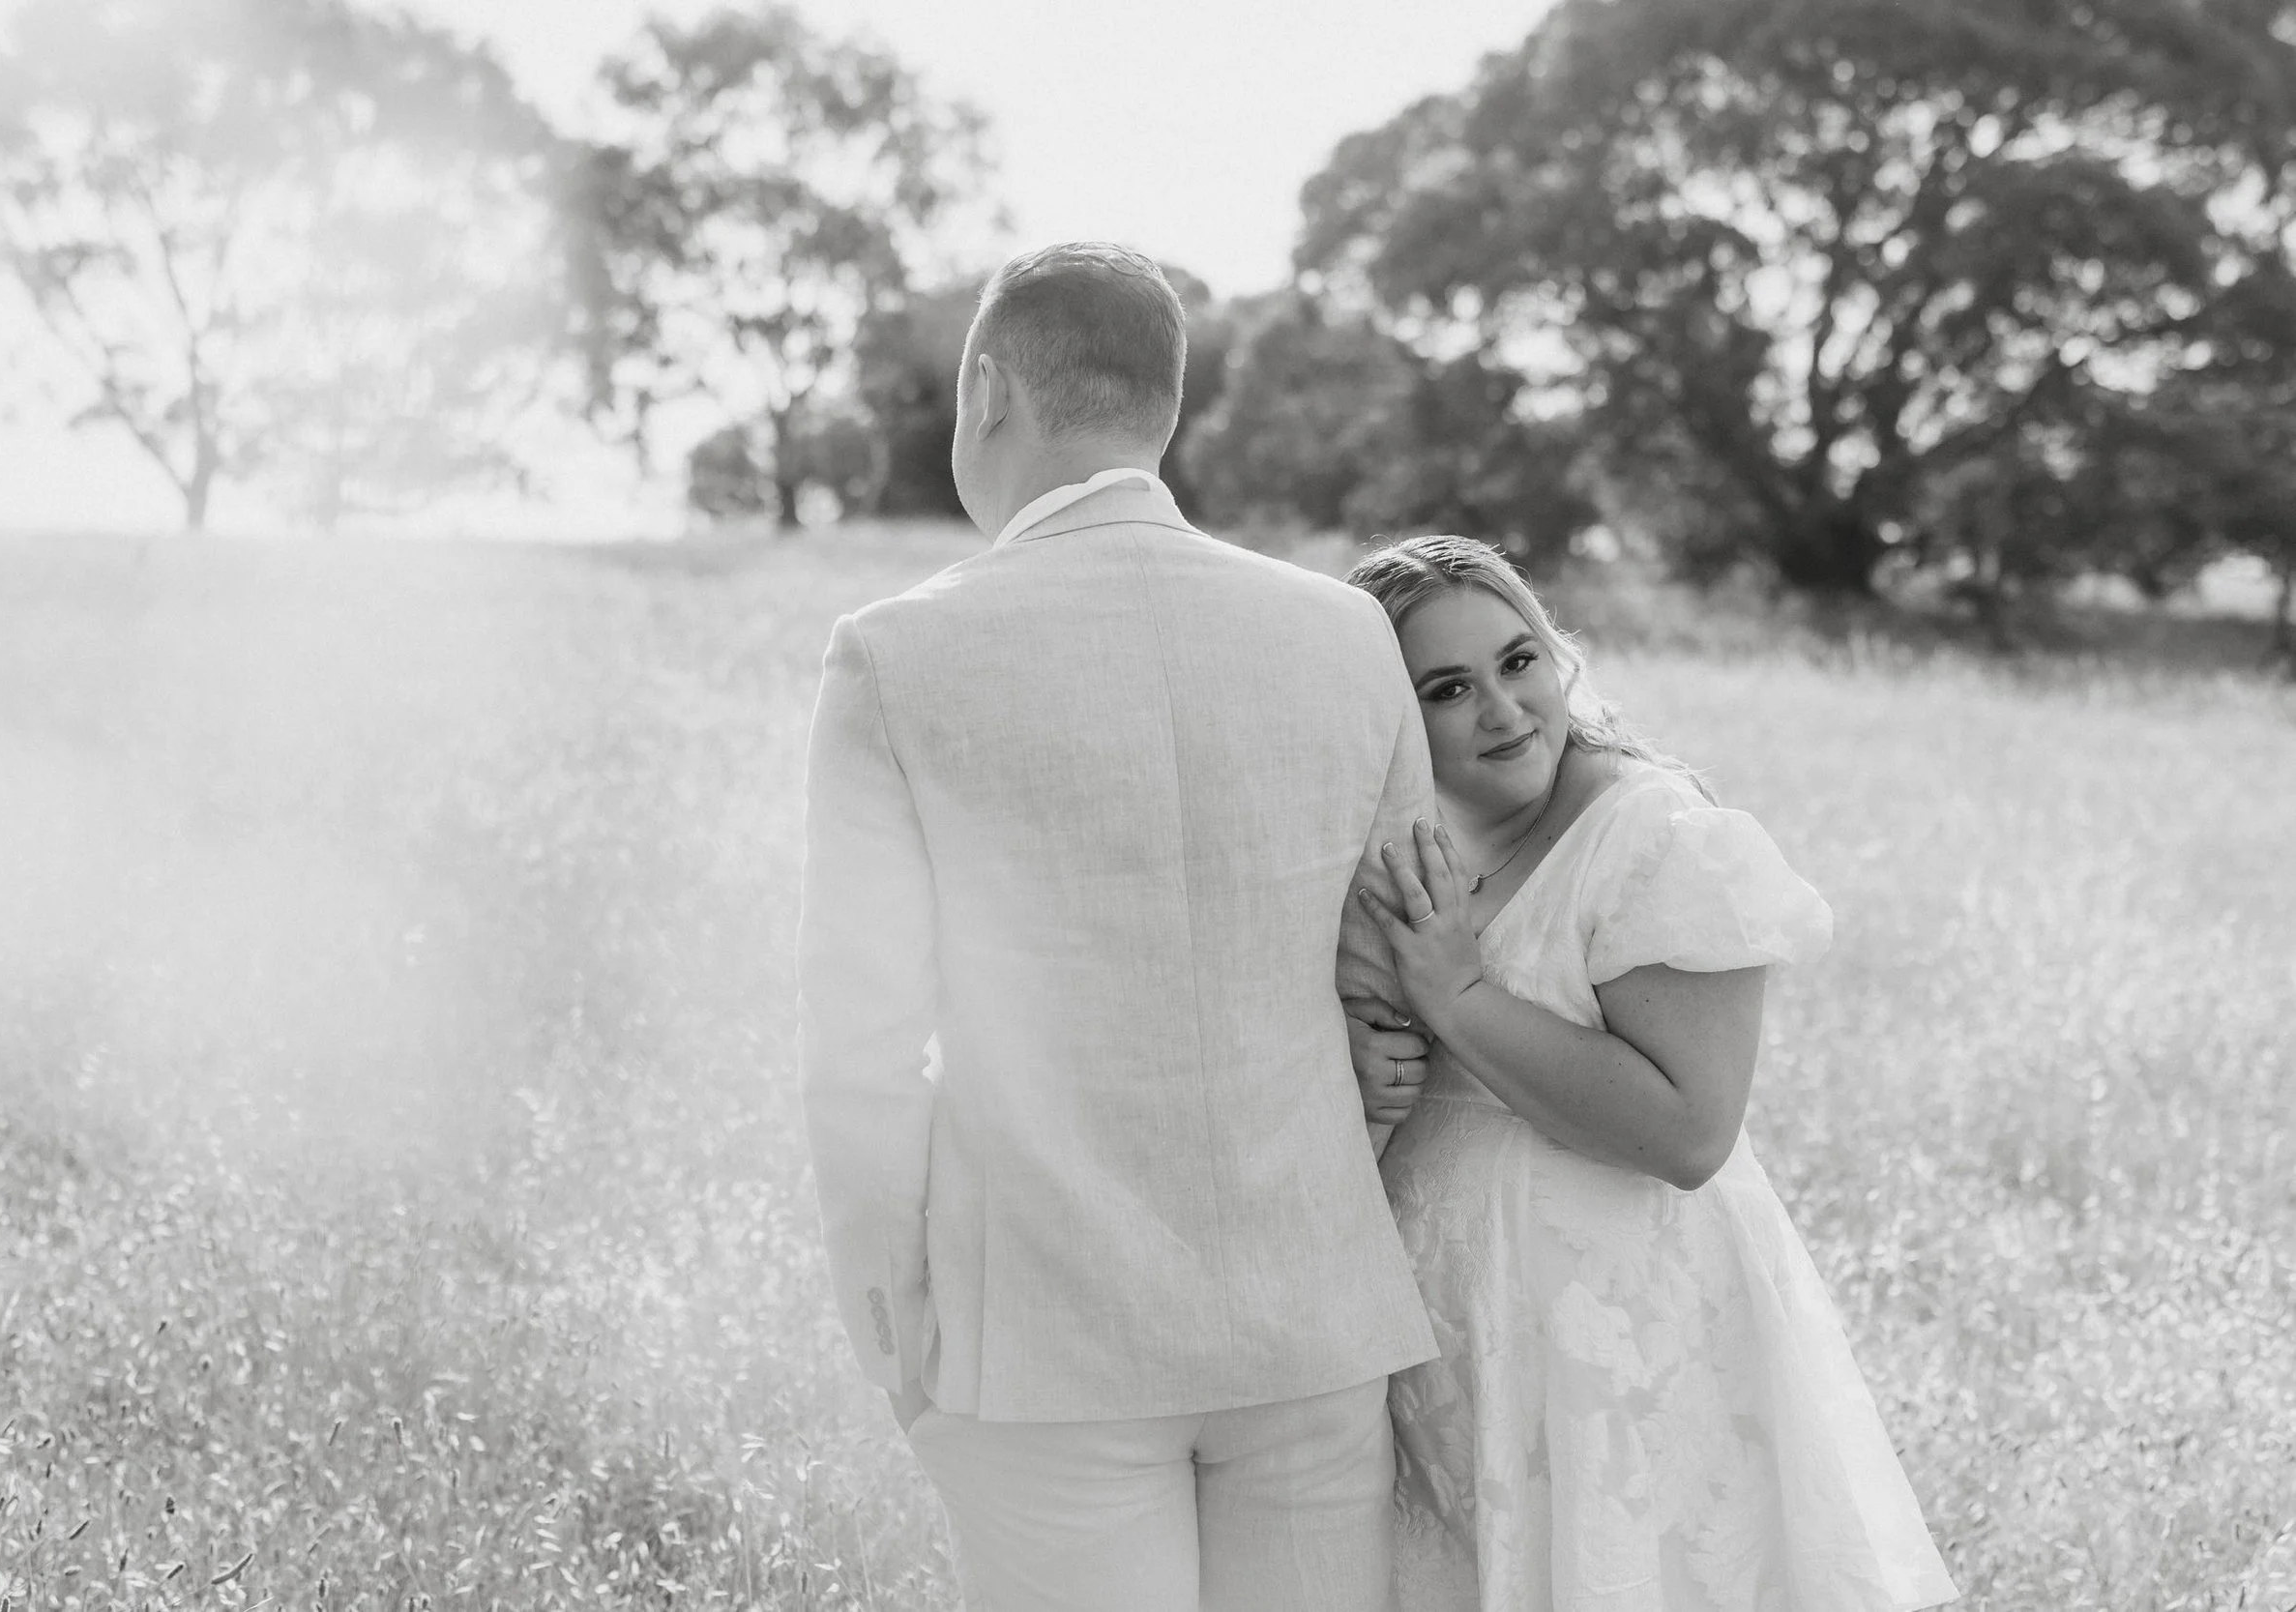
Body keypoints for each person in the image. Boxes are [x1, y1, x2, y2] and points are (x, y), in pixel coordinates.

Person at [794, 242, 1438, 1612]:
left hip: (1035, 1333)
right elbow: (1403, 980)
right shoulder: (1343, 633)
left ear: (986, 392)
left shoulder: (896, 652)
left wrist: (885, 1304)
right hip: (1313, 1315)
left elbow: (859, 1031)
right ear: (1168, 405)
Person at [1340, 534, 1960, 1611]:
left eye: (1518, 660)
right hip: (1461, 1365)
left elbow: (1687, 1130)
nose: (1503, 709)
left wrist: (1460, 998)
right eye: (1448, 688)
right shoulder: (1399, 850)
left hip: (1621, 1363)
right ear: (1386, 718)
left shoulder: (1653, 833)